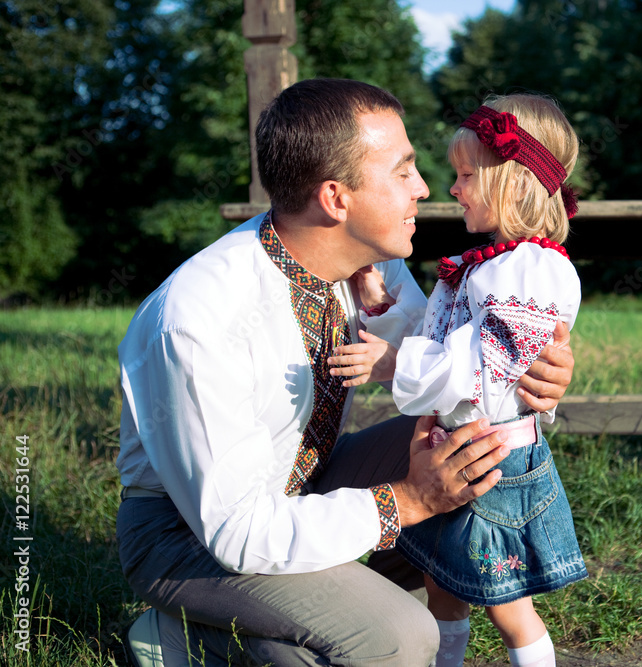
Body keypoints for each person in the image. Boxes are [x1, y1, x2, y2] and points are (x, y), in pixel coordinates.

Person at [115, 78, 577, 667]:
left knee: (475, 447)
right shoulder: (198, 319)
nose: (426, 188)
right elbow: (237, 529)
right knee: (400, 638)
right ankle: (188, 637)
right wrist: (404, 502)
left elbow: (446, 356)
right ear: (336, 198)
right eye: (403, 171)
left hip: (304, 479)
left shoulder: (366, 256)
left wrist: (530, 370)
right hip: (192, 535)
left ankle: (310, 619)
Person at [331, 94, 586, 667]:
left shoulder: (533, 271)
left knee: (506, 602)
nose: (451, 188)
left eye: (466, 175)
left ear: (512, 183)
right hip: (459, 452)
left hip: (493, 460)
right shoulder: (489, 265)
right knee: (442, 581)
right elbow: (440, 338)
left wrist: (394, 365)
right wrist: (383, 304)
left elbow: (491, 375)